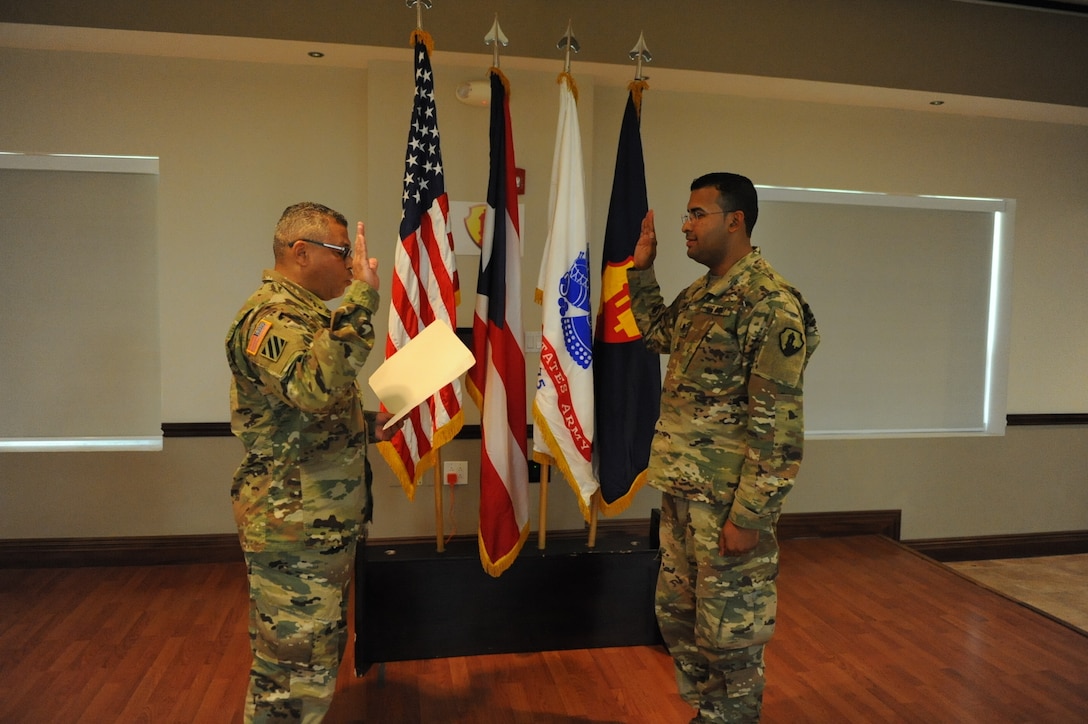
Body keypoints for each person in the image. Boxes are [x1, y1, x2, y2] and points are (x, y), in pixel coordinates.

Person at [627, 173, 819, 722]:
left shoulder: (768, 302)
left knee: (730, 633)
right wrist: (643, 271)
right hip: (684, 491)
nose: (685, 224)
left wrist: (751, 514)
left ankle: (733, 717)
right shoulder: (703, 293)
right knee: (681, 621)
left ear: (735, 220)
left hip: (727, 503)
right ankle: (708, 715)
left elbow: (778, 426)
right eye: (686, 214)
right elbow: (656, 335)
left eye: (697, 213)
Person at [225, 201, 396, 722]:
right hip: (292, 524)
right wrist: (364, 297)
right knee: (292, 671)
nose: (352, 265)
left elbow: (304, 416)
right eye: (344, 253)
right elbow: (312, 386)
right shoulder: (268, 318)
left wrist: (370, 425)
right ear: (301, 252)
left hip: (317, 522)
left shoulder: (306, 314)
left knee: (313, 656)